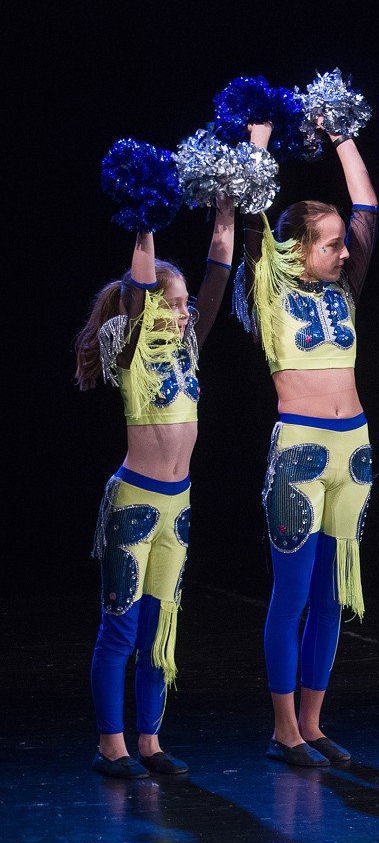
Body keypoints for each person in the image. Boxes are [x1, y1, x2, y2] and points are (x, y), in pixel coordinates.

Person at [77, 168, 242, 777]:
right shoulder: (132, 352)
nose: (180, 314)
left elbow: (219, 272)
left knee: (159, 629)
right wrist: (145, 218)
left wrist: (227, 204)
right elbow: (141, 287)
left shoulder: (188, 351)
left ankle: (149, 740)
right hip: (136, 503)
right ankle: (111, 745)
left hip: (178, 506)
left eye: (182, 306)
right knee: (120, 629)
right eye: (169, 306)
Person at [237, 116, 378, 767]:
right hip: (300, 454)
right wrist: (258, 145)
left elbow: (367, 209)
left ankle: (314, 724)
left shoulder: (344, 290)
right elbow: (251, 221)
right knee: (291, 595)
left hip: (354, 452)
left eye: (343, 245)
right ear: (296, 250)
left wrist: (341, 134)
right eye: (331, 244)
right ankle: (283, 729)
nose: (344, 252)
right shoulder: (269, 292)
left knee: (329, 598)